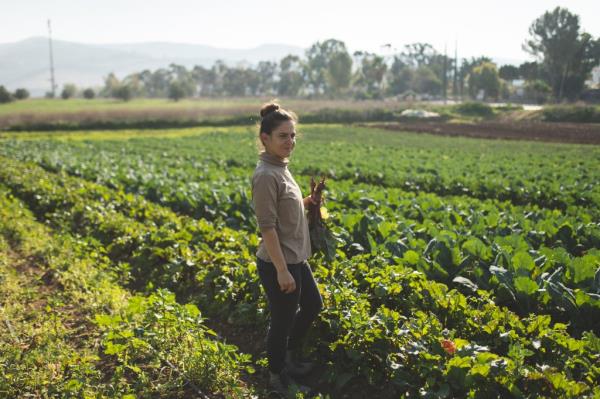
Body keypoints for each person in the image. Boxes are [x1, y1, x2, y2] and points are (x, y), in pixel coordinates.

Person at [251, 102, 323, 395]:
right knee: (282, 321)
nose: (290, 142)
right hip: (279, 262)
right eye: (283, 136)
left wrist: (309, 201)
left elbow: (287, 208)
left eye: (293, 135)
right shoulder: (266, 175)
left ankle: (289, 357)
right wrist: (282, 271)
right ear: (265, 138)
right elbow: (267, 227)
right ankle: (277, 376)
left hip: (296, 258)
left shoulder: (281, 168)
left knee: (313, 305)